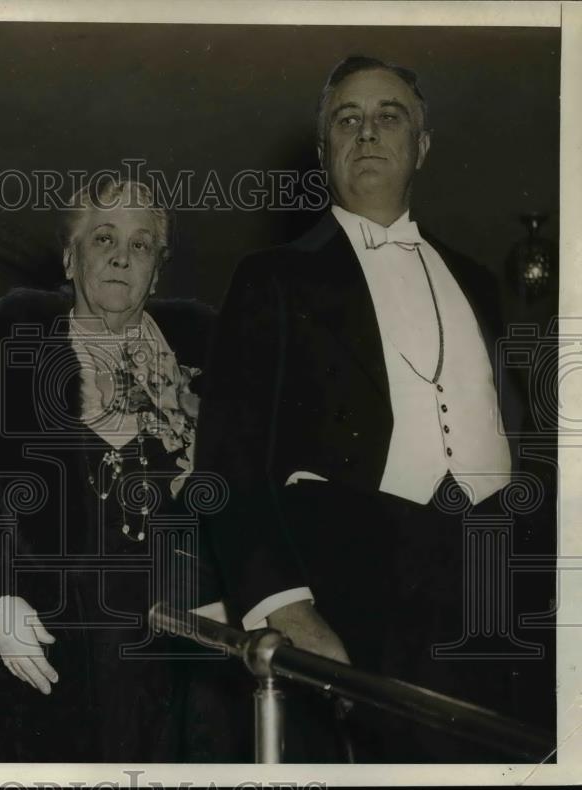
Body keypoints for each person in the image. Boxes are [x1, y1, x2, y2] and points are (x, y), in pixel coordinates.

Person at [196, 56, 554, 762]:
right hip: (365, 581)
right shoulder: (273, 277)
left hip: (505, 576)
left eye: (389, 115)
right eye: (346, 119)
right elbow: (230, 454)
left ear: (422, 145)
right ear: (325, 148)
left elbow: (521, 433)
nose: (367, 132)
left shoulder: (479, 282)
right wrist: (284, 602)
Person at [0, 178, 251, 762]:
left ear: (157, 271)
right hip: (62, 672)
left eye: (141, 246)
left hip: (192, 673)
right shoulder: (10, 375)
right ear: (70, 257)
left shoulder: (208, 385)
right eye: (104, 238)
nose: (121, 255)